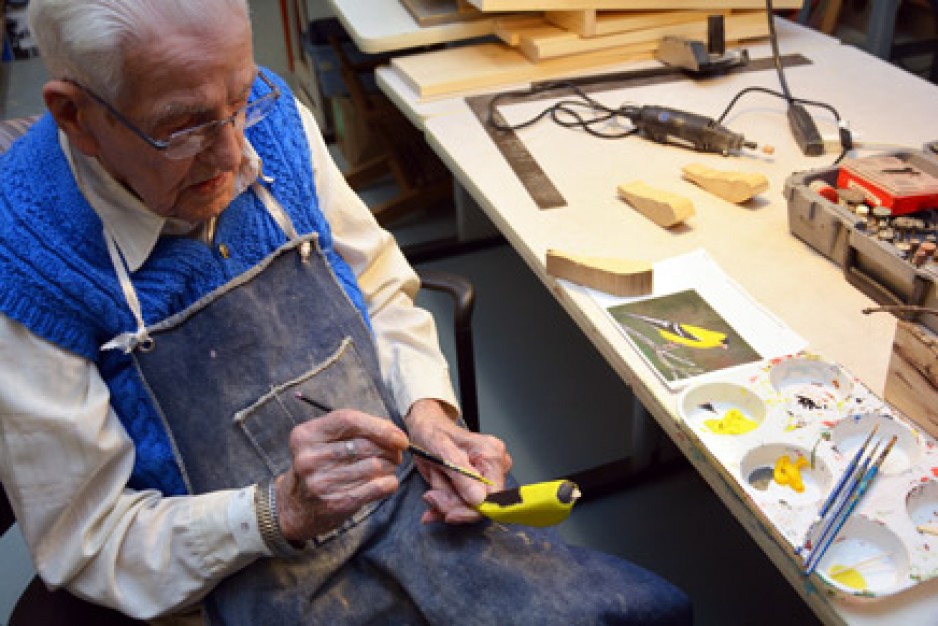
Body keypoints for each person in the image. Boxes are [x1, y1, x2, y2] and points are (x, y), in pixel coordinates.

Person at [0, 1, 692, 624]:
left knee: (642, 613)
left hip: (399, 508)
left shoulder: (272, 121)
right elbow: (91, 541)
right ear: (75, 117)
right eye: (182, 127)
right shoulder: (27, 258)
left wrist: (428, 414)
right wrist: (277, 513)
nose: (236, 152)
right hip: (220, 572)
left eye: (238, 100)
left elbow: (382, 288)